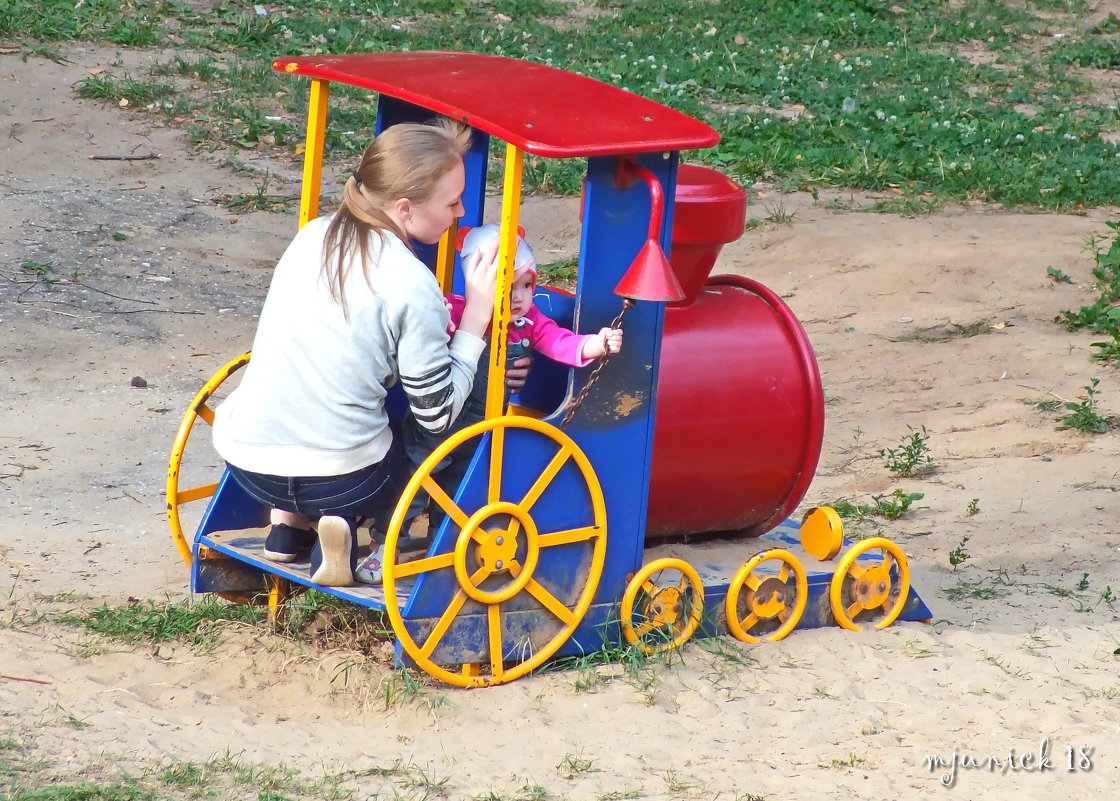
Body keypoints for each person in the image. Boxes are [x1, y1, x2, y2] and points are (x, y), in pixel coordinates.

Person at [211, 119, 505, 587]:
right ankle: (344, 523)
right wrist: (476, 320)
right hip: (343, 479)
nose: (461, 211)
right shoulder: (411, 283)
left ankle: (287, 529)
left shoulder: (312, 235)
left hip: (249, 466)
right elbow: (438, 417)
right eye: (452, 202)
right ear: (404, 208)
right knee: (414, 445)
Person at [353, 223, 621, 584]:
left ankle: (442, 552)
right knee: (415, 485)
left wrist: (597, 344)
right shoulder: (456, 310)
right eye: (506, 287)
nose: (518, 297)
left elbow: (560, 343)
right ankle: (384, 549)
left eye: (526, 286)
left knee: (460, 490)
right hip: (438, 421)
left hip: (482, 427)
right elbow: (424, 336)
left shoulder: (528, 323)